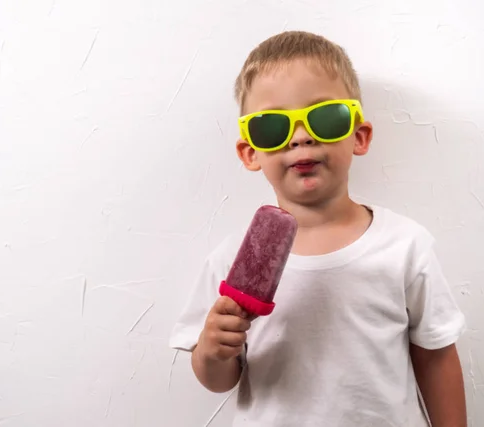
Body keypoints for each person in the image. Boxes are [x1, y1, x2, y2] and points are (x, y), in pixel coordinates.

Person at [169, 31, 467, 427]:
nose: (302, 137)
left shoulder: (405, 245)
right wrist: (213, 350)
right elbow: (219, 381)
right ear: (250, 152)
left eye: (326, 118)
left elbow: (435, 356)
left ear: (359, 136)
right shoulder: (229, 258)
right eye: (272, 127)